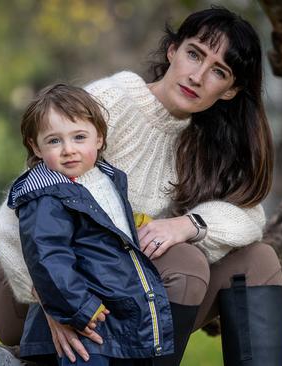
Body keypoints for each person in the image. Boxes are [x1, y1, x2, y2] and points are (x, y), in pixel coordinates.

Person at [0, 5, 282, 366]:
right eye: (194, 54)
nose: (197, 76)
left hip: (121, 293)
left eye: (218, 72)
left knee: (259, 260)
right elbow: (17, 219)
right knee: (187, 261)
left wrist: (186, 225)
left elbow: (249, 216)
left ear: (230, 90)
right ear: (172, 50)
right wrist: (56, 305)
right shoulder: (110, 103)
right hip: (37, 283)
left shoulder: (208, 139)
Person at [9, 83, 174, 365]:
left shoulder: (107, 179)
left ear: (99, 138)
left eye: (79, 137)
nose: (68, 150)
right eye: (54, 141)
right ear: (36, 147)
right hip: (81, 320)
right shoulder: (46, 195)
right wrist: (78, 307)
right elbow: (48, 257)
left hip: (114, 313)